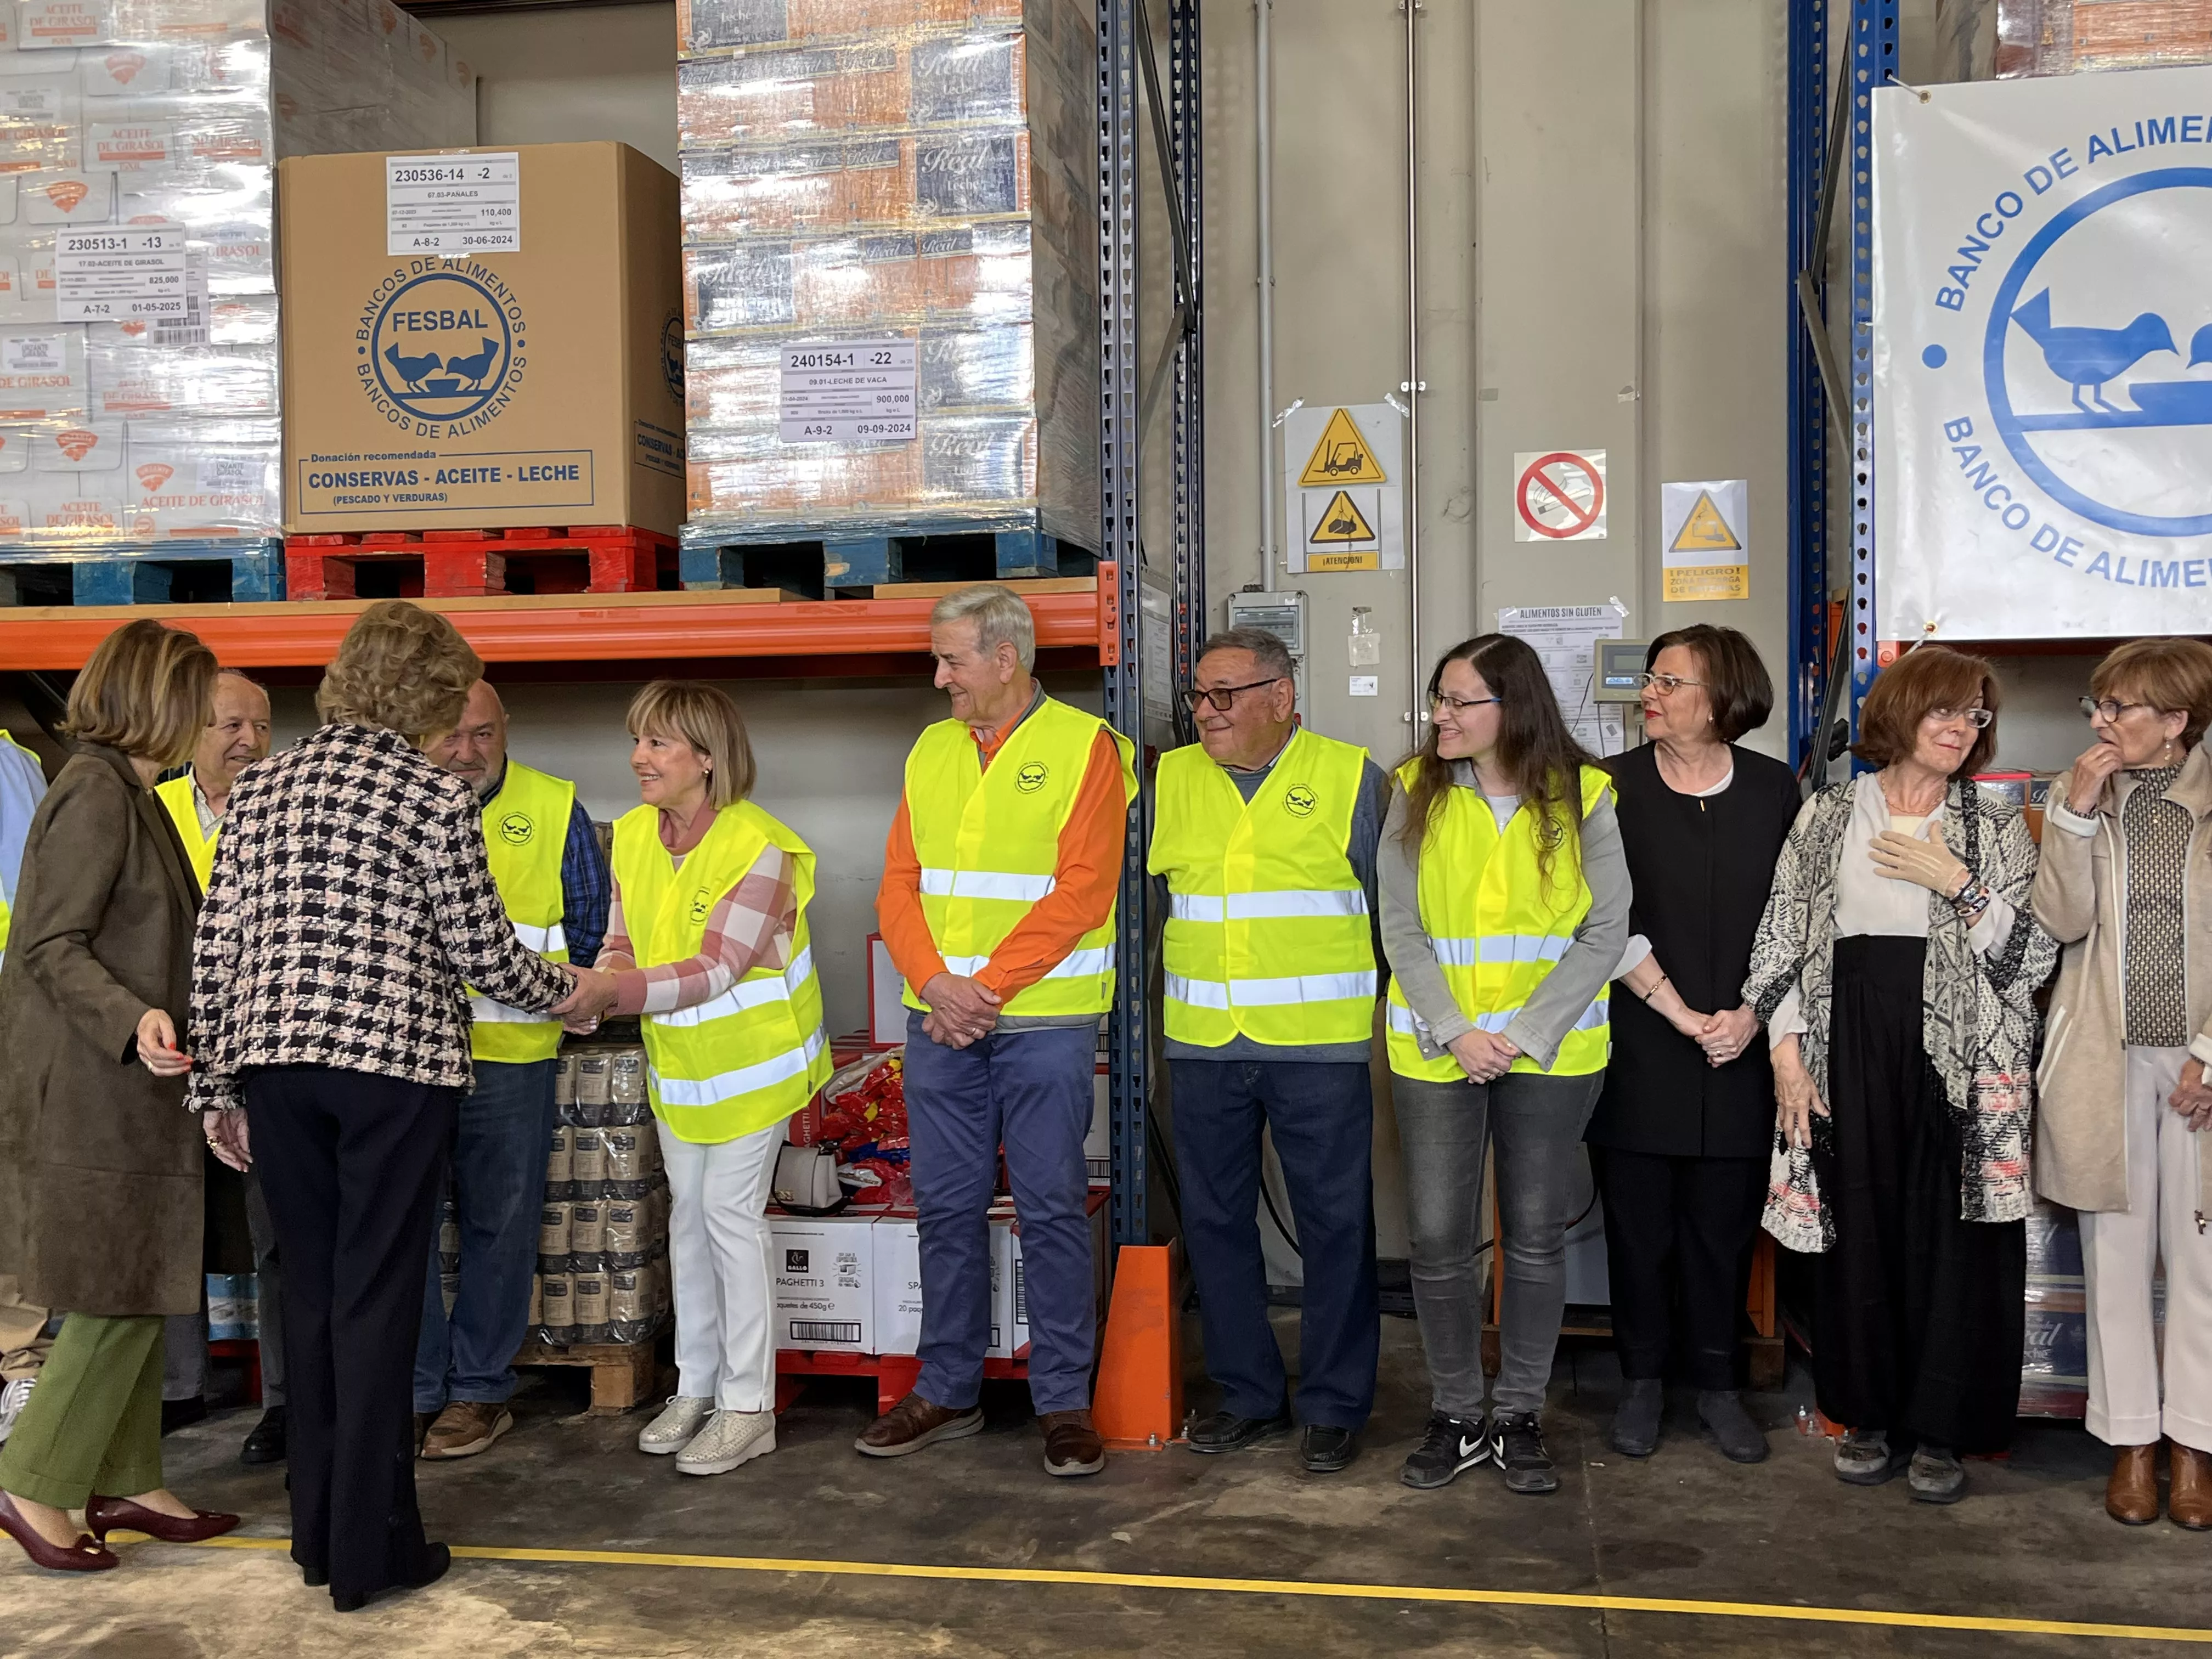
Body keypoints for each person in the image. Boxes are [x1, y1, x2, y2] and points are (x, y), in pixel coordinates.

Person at [187, 601, 616, 1611]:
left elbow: (218, 946)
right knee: (382, 1299)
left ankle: (319, 1537)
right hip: (392, 1073)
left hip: (275, 1069)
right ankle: (374, 1550)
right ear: (425, 692)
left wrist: (214, 1088)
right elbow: (478, 952)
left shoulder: (261, 788)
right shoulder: (430, 795)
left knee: (315, 1295)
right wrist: (576, 992)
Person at [1745, 645, 2055, 1506]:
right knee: (1861, 1227)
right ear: (1901, 716)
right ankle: (1867, 1414)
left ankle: (1944, 1431)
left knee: (1956, 1243)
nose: (1962, 729)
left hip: (1964, 1055)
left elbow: (2032, 959)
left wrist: (1958, 885)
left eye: (1976, 717)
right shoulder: (1829, 815)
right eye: (1944, 712)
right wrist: (1786, 1054)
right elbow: (1781, 942)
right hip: (1851, 1036)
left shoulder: (1992, 826)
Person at [865, 584, 1137, 1477]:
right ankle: (947, 1390)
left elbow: (1084, 890)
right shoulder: (931, 750)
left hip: (1042, 1022)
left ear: (1006, 656)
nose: (938, 676)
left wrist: (982, 989)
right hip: (942, 1017)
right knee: (943, 1208)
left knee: (1051, 1209)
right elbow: (898, 885)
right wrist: (939, 987)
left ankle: (1063, 1401)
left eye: (951, 659)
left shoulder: (1085, 747)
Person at [0, 618, 239, 1572]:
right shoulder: (94, 793)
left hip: (139, 1085)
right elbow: (48, 944)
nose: (207, 720)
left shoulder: (132, 794)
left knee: (146, 1282)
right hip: (96, 1090)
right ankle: (34, 1482)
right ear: (159, 700)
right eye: (196, 700)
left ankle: (130, 1476)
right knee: (110, 1292)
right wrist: (132, 1017)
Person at [1380, 634, 1629, 1496]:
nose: (1440, 716)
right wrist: (1454, 1029)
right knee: (1441, 1240)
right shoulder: (1414, 791)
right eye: (1438, 699)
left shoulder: (1584, 796)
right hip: (1439, 1048)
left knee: (1532, 1238)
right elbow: (1401, 927)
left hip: (1550, 1053)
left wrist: (1522, 1034)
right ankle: (1455, 1411)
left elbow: (1606, 931)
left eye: (1459, 702)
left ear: (1511, 709)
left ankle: (1518, 1411)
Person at [1148, 627, 1390, 1473]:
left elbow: (1390, 917)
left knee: (1335, 1226)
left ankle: (1334, 1404)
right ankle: (1247, 1394)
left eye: (1226, 696)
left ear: (1280, 698)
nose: (1206, 714)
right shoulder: (1170, 780)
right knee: (1215, 1224)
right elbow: (1149, 916)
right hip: (1205, 1045)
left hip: (1316, 1048)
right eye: (1199, 697)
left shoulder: (1354, 779)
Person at [589, 682, 830, 1478]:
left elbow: (719, 967)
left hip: (756, 1068)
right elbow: (621, 941)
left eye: (658, 743)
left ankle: (749, 1406)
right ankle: (695, 1387)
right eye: (637, 740)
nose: (639, 758)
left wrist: (614, 993)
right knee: (687, 1222)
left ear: (706, 757)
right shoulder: (629, 835)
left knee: (730, 1220)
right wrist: (599, 981)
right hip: (684, 1071)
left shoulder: (759, 847)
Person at [1590, 625, 1802, 1464]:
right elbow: (1601, 918)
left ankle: (1717, 1386)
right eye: (1651, 679)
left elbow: (1796, 918)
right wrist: (1681, 1015)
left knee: (1723, 1232)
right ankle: (1640, 1384)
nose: (1650, 692)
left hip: (1745, 1050)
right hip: (1641, 1042)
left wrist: (1751, 1012)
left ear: (1720, 700)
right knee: (1638, 1230)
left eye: (1670, 682)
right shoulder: (1608, 789)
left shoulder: (1774, 789)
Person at [2032, 637, 2212, 1529]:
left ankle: (2195, 1450)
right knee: (2115, 1259)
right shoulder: (2093, 804)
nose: (2101, 721)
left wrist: (2211, 1054)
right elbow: (2061, 921)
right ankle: (2132, 1443)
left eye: (2120, 707)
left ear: (2176, 721)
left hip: (2200, 1068)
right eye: (2096, 707)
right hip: (2105, 1058)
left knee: (2202, 1267)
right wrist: (2073, 809)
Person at [415, 679, 610, 1462]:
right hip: (412, 1062)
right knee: (408, 1232)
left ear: (507, 731)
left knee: (501, 1231)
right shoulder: (404, 806)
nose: (466, 751)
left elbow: (590, 926)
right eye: (450, 735)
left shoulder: (553, 806)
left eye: (483, 735)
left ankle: (478, 1393)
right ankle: (418, 1388)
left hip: (514, 1059)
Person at [153, 669, 289, 1465]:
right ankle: (179, 1389)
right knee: (169, 1227)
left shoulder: (284, 807)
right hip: (164, 1055)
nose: (248, 741)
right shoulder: (153, 810)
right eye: (228, 725)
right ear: (188, 732)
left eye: (262, 727)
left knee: (275, 1235)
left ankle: (283, 1404)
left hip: (259, 1056)